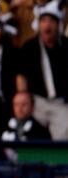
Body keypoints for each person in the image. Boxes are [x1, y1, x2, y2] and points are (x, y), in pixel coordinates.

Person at [17, 0, 68, 140]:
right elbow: (21, 76)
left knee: (63, 138)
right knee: (30, 134)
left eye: (51, 21)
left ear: (58, 25)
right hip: (36, 102)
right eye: (44, 21)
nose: (47, 25)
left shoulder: (65, 46)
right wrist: (23, 97)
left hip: (60, 104)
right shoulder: (29, 47)